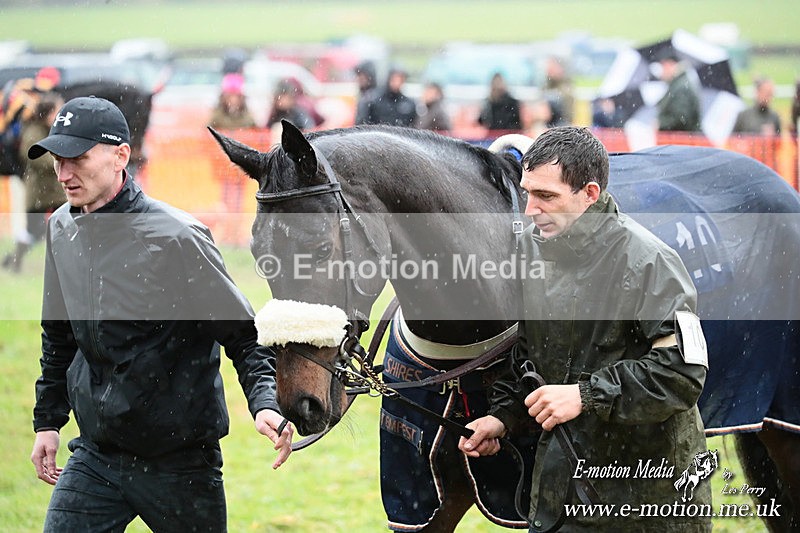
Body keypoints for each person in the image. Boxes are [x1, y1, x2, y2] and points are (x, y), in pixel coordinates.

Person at [28, 96, 293, 532]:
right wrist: (47, 421)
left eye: (77, 158)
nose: (64, 174)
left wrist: (264, 402)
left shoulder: (176, 236)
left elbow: (244, 335)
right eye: (58, 160)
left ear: (121, 156)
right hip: (96, 455)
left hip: (180, 462)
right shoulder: (61, 226)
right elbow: (58, 334)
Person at [458, 127, 711, 531]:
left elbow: (683, 373)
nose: (529, 210)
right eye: (527, 193)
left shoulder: (649, 262)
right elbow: (531, 360)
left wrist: (586, 395)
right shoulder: (532, 254)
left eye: (546, 197)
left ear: (590, 194)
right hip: (562, 494)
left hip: (647, 500)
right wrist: (503, 417)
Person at [2, 92, 64, 273]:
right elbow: (32, 156)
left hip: (55, 193)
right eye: (58, 111)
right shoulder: (33, 131)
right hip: (40, 194)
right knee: (34, 232)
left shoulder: (50, 130)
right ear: (48, 112)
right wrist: (60, 161)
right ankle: (13, 260)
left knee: (66, 225)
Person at [656, 51, 701, 132]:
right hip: (683, 140)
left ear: (671, 65)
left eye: (663, 67)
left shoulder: (681, 87)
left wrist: (660, 124)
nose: (662, 72)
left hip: (683, 140)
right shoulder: (678, 84)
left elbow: (680, 119)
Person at [542, 56, 575, 126]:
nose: (549, 70)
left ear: (560, 68)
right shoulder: (546, 86)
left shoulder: (566, 89)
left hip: (560, 126)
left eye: (552, 67)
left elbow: (567, 115)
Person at [353, 60, 378, 125]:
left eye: (361, 75)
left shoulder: (371, 98)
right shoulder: (365, 96)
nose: (358, 79)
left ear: (369, 77)